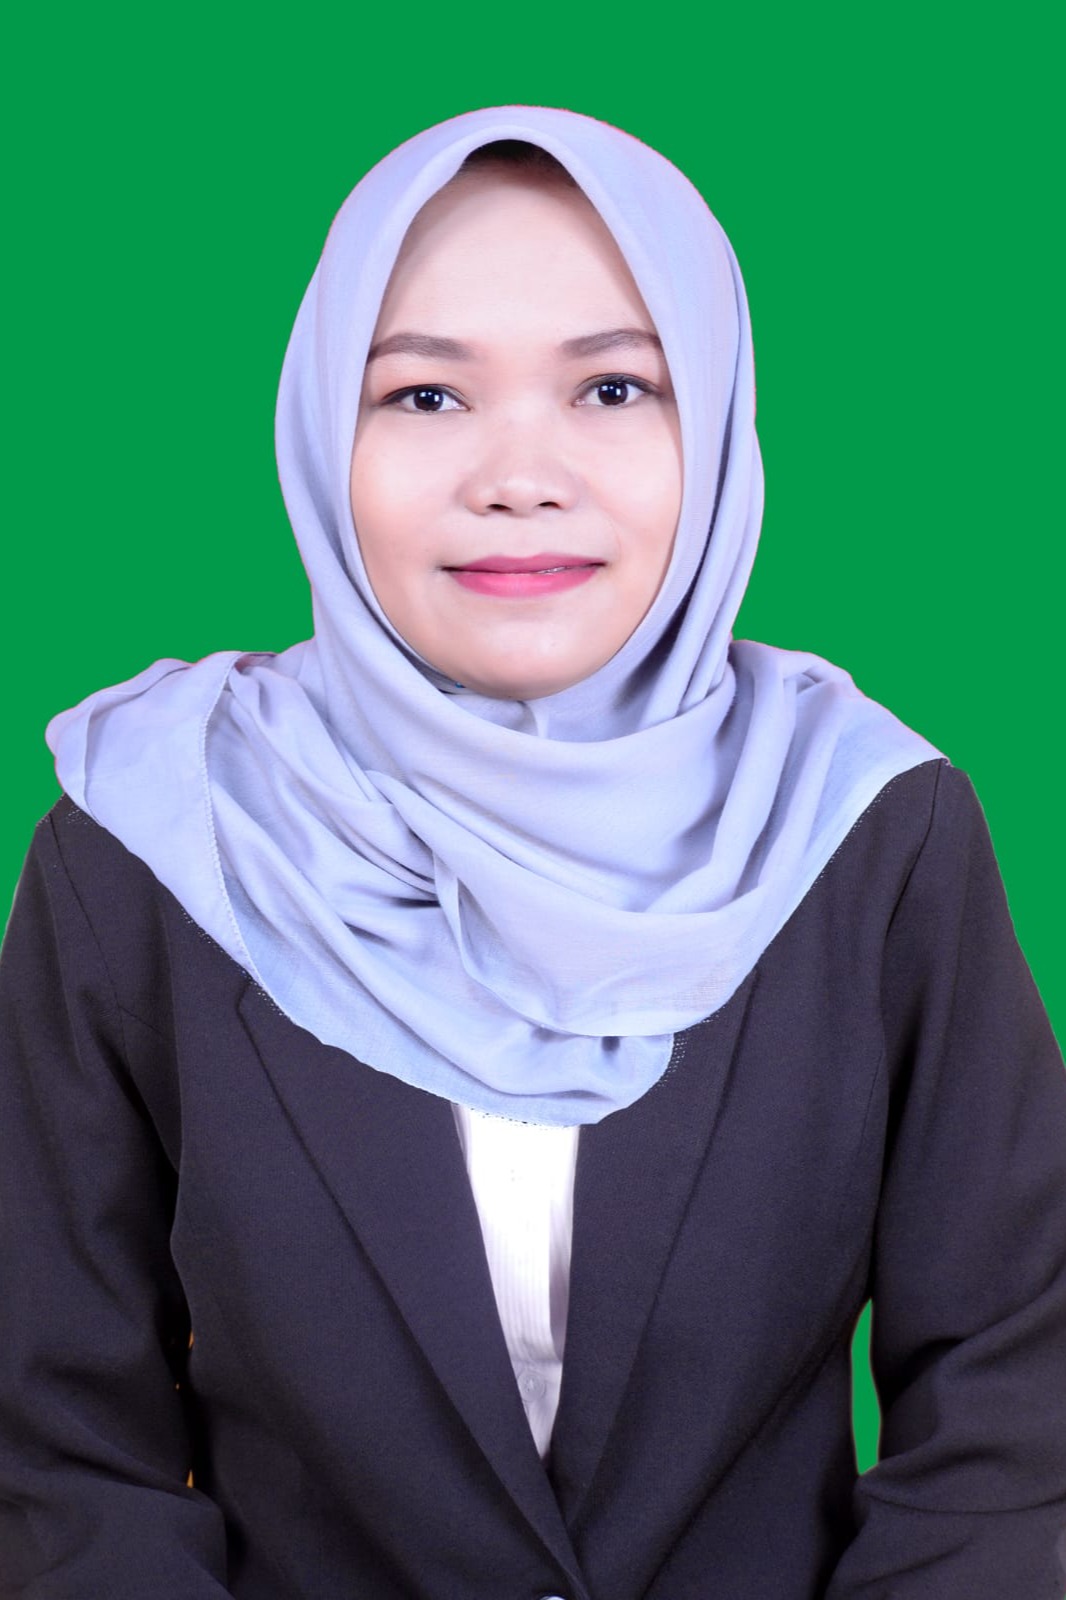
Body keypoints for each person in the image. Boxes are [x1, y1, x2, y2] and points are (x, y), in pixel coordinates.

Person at [0, 105, 1064, 1600]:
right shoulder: (153, 840)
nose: (519, 474)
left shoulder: (869, 827)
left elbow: (1015, 1391)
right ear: (320, 434)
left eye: (614, 387)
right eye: (425, 394)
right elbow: (56, 1445)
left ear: (715, 428)